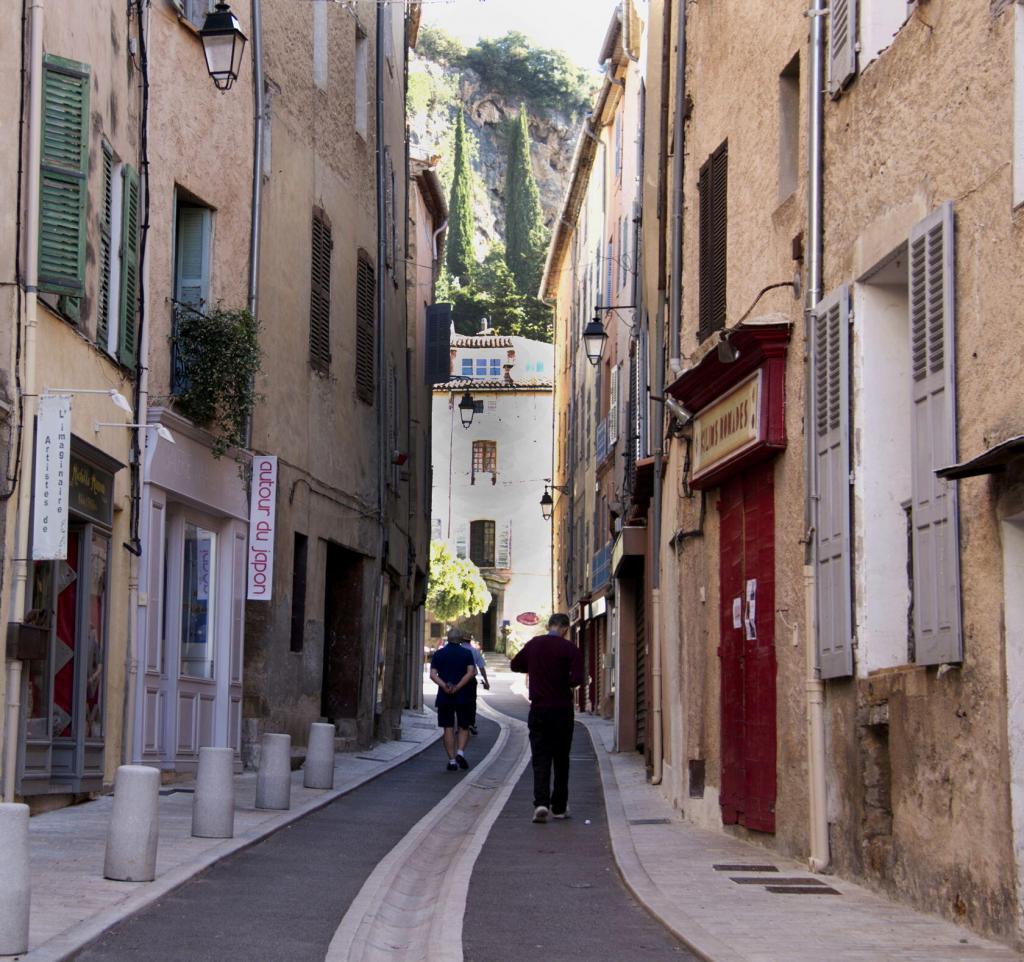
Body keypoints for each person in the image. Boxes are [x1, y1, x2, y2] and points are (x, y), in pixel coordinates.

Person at [510, 613, 583, 823]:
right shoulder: (570, 649)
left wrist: (534, 668)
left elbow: (515, 665)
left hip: (539, 710)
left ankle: (540, 803)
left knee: (540, 758)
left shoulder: (534, 644)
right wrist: (563, 679)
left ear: (549, 626)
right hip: (561, 710)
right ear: (565, 629)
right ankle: (559, 807)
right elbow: (576, 679)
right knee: (561, 759)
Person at [429, 627, 478, 771]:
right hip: (463, 696)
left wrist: (445, 686)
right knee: (464, 726)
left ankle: (451, 761)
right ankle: (460, 752)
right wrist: (458, 686)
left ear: (448, 638)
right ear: (461, 639)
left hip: (445, 696)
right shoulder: (467, 653)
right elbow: (471, 672)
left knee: (448, 727)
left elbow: (432, 674)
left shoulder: (439, 654)